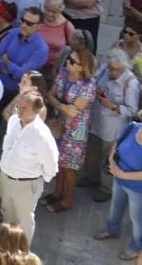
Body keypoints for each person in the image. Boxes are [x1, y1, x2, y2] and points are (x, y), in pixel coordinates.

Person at [83, 49, 140, 204]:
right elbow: (93, 80)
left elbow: (132, 111)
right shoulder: (105, 70)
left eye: (116, 70)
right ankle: (90, 177)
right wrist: (97, 90)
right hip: (96, 122)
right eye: (110, 68)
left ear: (124, 68)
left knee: (108, 159)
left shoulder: (131, 83)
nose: (112, 72)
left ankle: (105, 188)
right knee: (92, 153)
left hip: (113, 129)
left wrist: (113, 106)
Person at [44, 49, 96, 213]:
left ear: (82, 67)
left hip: (76, 131)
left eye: (73, 62)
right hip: (59, 124)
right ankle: (58, 191)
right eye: (69, 59)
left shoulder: (89, 86)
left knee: (69, 166)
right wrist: (61, 106)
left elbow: (74, 110)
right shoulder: (63, 74)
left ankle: (68, 199)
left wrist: (58, 104)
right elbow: (49, 95)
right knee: (58, 161)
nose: (68, 62)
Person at [94, 114, 142, 262]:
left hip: (137, 188)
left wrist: (123, 174)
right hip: (119, 179)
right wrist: (111, 159)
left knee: (137, 219)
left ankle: (136, 247)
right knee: (116, 207)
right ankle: (112, 230)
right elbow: (117, 142)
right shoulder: (133, 127)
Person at [0, 6, 48, 89]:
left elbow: (23, 74)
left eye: (29, 24)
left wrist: (7, 62)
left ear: (39, 26)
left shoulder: (41, 49)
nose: (23, 25)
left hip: (15, 89)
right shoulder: (13, 32)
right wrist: (10, 70)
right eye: (23, 21)